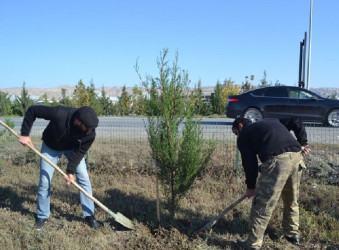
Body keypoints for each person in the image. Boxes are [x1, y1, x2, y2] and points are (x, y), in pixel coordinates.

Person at [232, 117, 311, 250]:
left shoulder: (244, 134)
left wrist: (250, 187)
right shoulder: (271, 121)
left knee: (262, 204)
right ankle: (292, 235)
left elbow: (249, 164)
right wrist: (302, 143)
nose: (237, 136)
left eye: (235, 133)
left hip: (278, 162)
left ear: (240, 126)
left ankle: (252, 244)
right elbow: (295, 120)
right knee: (291, 200)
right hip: (297, 157)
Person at [19, 105, 101, 230]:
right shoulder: (59, 113)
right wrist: (25, 134)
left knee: (84, 178)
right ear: (77, 121)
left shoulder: (90, 133)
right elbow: (33, 110)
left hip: (71, 149)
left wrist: (70, 171)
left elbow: (79, 152)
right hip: (50, 147)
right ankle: (42, 215)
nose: (90, 130)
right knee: (44, 181)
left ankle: (89, 215)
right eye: (87, 127)